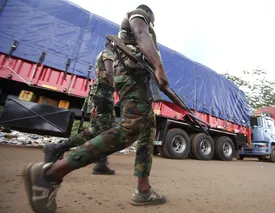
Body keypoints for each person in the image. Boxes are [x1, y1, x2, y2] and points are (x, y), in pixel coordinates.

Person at [22, 4, 169, 213]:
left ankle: (143, 191)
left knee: (147, 131)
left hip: (138, 82)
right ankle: (50, 174)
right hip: (132, 79)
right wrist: (159, 66)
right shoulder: (139, 15)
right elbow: (141, 32)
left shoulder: (125, 39)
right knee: (131, 127)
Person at [42, 43, 117, 175]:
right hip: (103, 97)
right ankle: (57, 148)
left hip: (103, 96)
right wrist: (119, 90)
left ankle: (101, 163)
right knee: (99, 130)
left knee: (108, 129)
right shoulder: (108, 53)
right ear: (113, 45)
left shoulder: (106, 54)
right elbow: (109, 73)